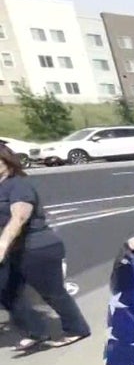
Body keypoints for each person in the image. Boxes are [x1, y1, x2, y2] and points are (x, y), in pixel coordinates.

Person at [0, 143, 90, 349]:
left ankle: (77, 329)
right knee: (6, 292)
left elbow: (19, 217)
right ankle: (36, 331)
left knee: (52, 292)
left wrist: (2, 245)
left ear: (6, 161)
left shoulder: (19, 185)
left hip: (37, 248)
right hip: (15, 251)